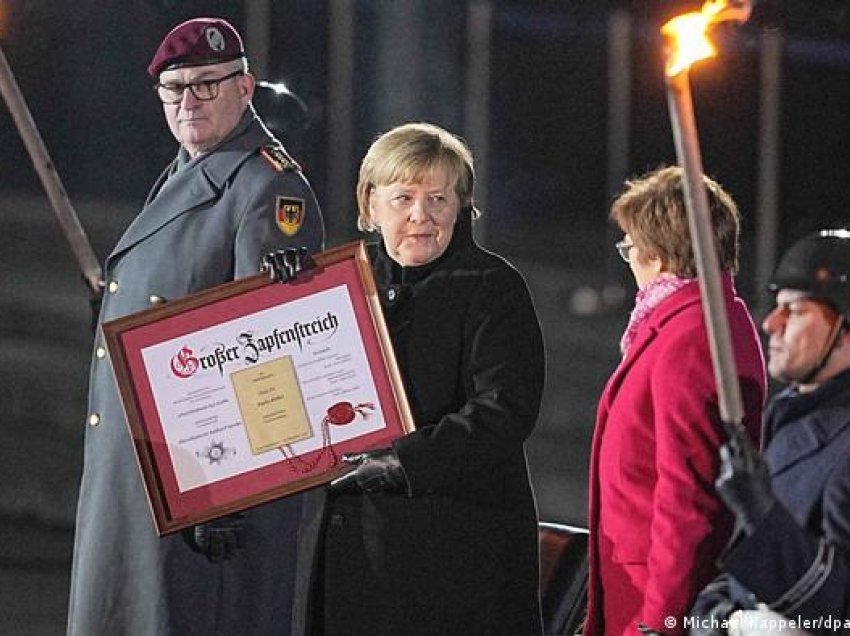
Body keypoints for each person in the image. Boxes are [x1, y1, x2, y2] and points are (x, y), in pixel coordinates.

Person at [66, 17, 325, 635]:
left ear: (245, 87)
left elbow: (269, 359)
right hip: (148, 473)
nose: (188, 102)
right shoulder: (192, 167)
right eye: (175, 89)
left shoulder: (266, 188)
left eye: (208, 85)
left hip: (199, 486)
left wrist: (233, 492)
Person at [269, 122, 545, 635]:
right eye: (403, 198)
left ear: (461, 206)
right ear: (370, 205)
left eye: (438, 198)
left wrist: (405, 462)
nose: (421, 215)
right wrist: (275, 298)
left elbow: (505, 409)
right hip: (356, 553)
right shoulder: (336, 284)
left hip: (455, 560)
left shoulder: (492, 287)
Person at [584, 165, 767, 636]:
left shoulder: (690, 338)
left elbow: (686, 497)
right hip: (642, 586)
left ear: (659, 255)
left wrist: (659, 621)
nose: (627, 259)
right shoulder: (697, 321)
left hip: (653, 596)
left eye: (629, 246)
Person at [690, 229, 850, 636]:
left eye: (794, 310)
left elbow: (839, 606)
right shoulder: (787, 416)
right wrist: (721, 618)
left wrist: (763, 515)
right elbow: (737, 571)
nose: (770, 324)